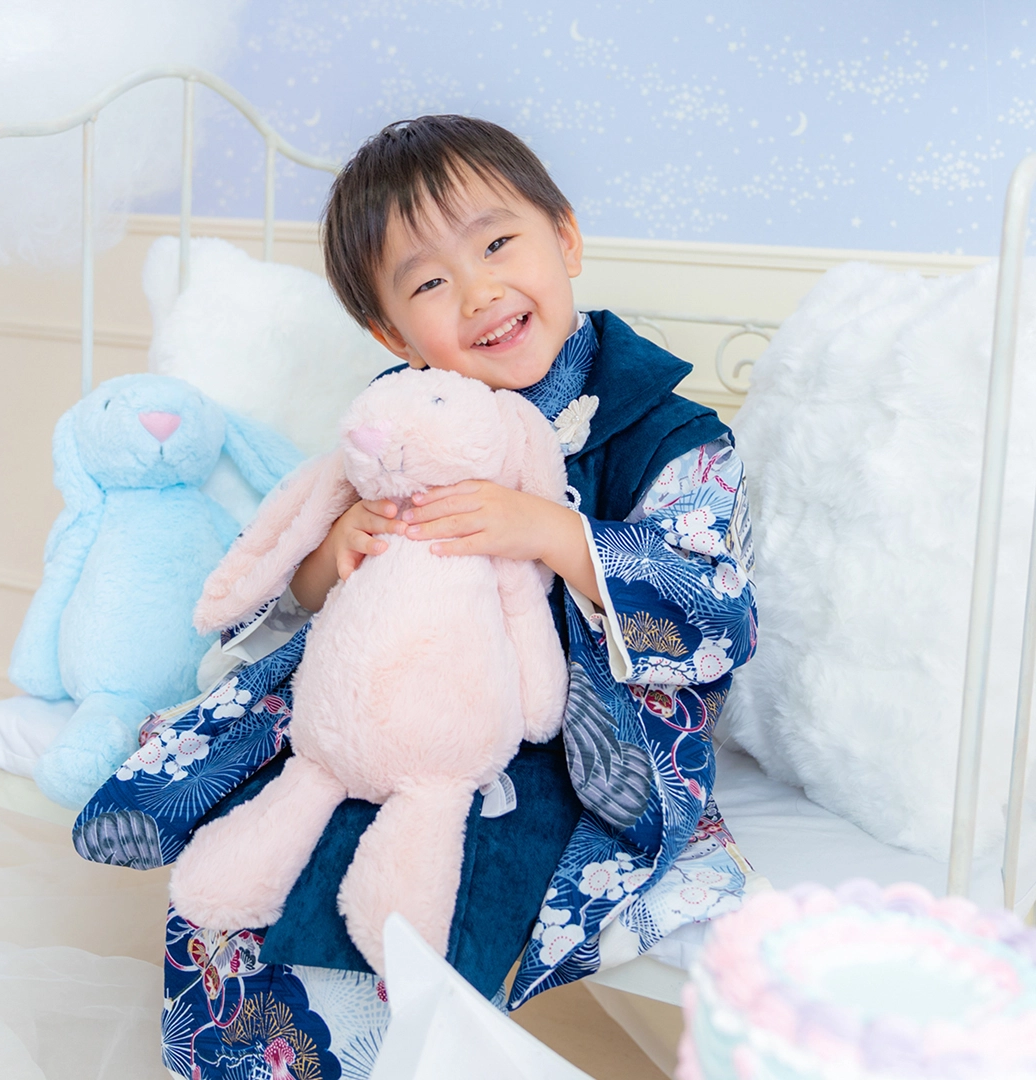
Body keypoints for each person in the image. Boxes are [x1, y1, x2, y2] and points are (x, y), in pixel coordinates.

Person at [156, 115, 757, 1079]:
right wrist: (333, 556)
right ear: (392, 332)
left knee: (433, 883)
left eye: (497, 243)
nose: (478, 292)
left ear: (564, 236)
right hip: (387, 713)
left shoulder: (668, 432)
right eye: (428, 283)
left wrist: (550, 531)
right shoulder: (397, 423)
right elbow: (287, 575)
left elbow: (717, 610)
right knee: (264, 841)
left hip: (562, 732)